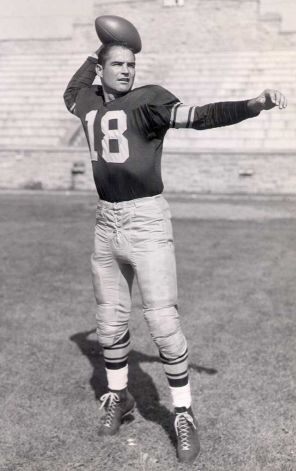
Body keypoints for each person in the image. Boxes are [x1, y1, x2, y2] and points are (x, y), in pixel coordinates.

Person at [64, 41, 287, 464]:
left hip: (146, 221)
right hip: (105, 222)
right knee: (109, 323)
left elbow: (201, 117)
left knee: (163, 324)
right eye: (118, 64)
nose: (127, 71)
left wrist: (254, 104)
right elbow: (72, 90)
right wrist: (95, 54)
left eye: (132, 64)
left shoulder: (149, 101)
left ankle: (183, 413)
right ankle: (119, 397)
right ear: (102, 68)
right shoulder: (87, 100)